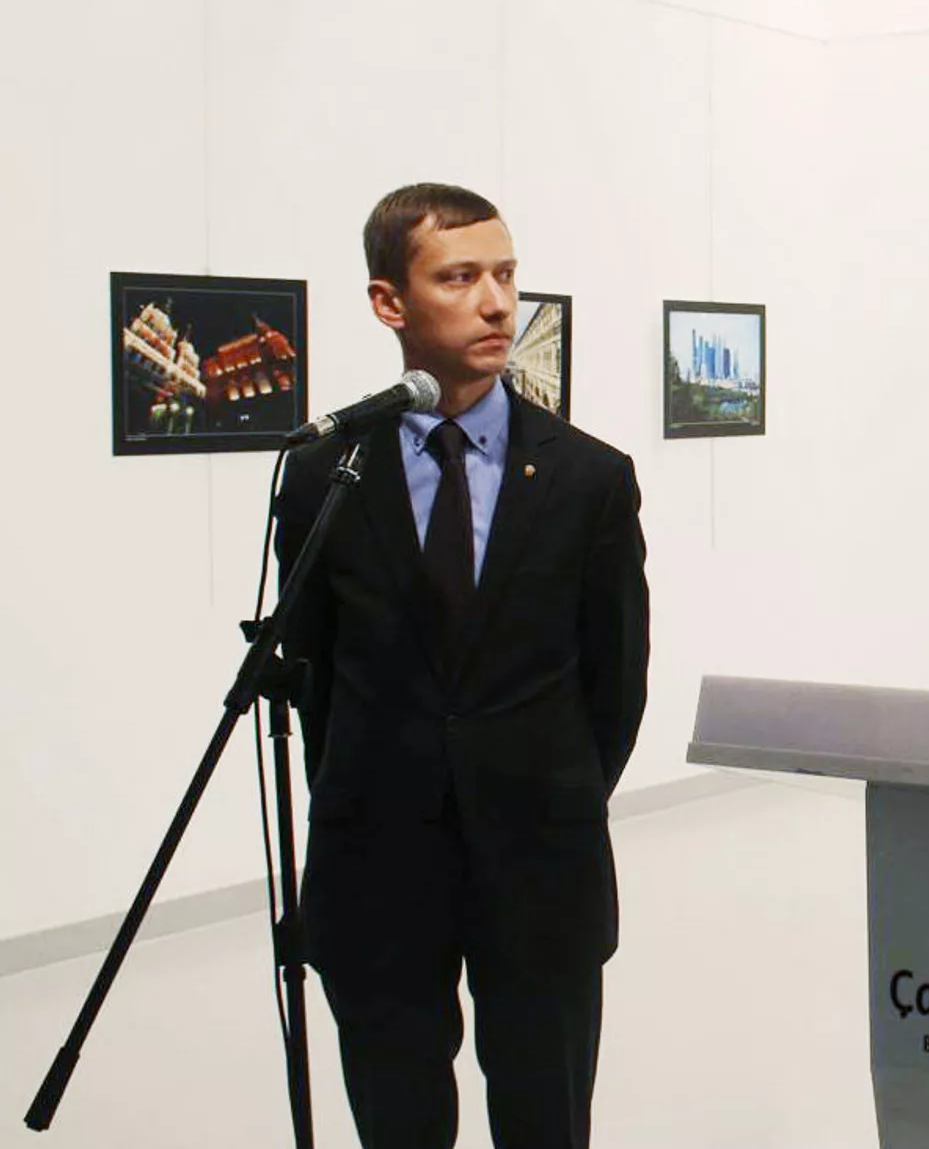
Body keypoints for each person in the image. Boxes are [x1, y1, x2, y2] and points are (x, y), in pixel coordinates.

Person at [275, 183, 649, 1149]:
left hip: (540, 860)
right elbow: (315, 680)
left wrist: (549, 790)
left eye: (506, 275)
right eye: (459, 277)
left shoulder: (588, 478)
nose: (495, 303)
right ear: (388, 301)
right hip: (377, 865)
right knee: (397, 1120)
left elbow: (615, 682)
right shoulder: (325, 476)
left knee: (545, 1119)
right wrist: (375, 790)